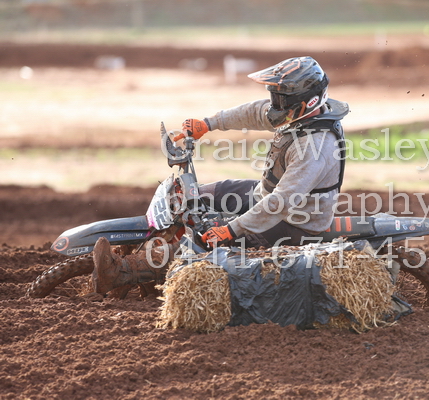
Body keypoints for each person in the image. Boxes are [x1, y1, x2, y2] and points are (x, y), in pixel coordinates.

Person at [90, 56, 350, 295]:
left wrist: (230, 230)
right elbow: (253, 112)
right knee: (195, 197)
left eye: (280, 99)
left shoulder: (316, 147)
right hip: (267, 194)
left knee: (206, 241)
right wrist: (208, 124)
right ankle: (146, 249)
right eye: (274, 96)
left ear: (306, 102)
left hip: (294, 221)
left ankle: (121, 273)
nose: (274, 104)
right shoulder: (296, 114)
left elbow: (280, 203)